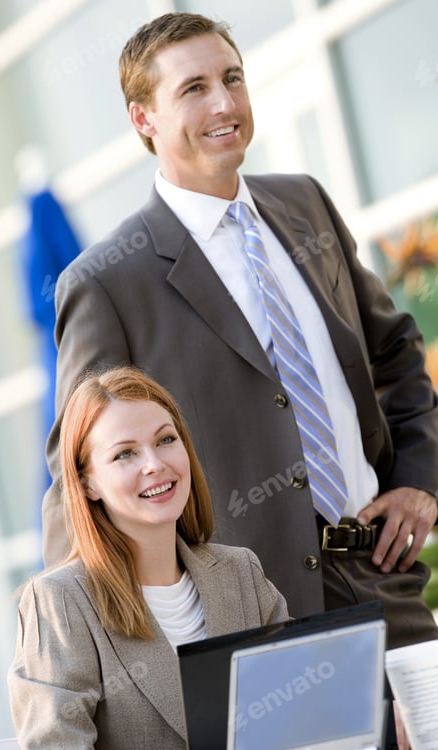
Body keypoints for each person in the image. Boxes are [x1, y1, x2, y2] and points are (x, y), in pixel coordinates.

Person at [42, 12, 438, 652]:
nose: (225, 102)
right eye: (193, 88)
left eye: (233, 77)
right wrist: (80, 650)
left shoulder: (305, 204)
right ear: (144, 118)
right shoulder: (107, 282)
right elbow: (80, 469)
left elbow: (393, 350)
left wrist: (420, 480)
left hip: (384, 579)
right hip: (254, 618)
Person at [8, 366, 288, 749]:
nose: (154, 464)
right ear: (88, 483)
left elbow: (299, 714)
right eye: (125, 453)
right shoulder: (61, 603)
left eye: (165, 440)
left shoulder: (241, 572)